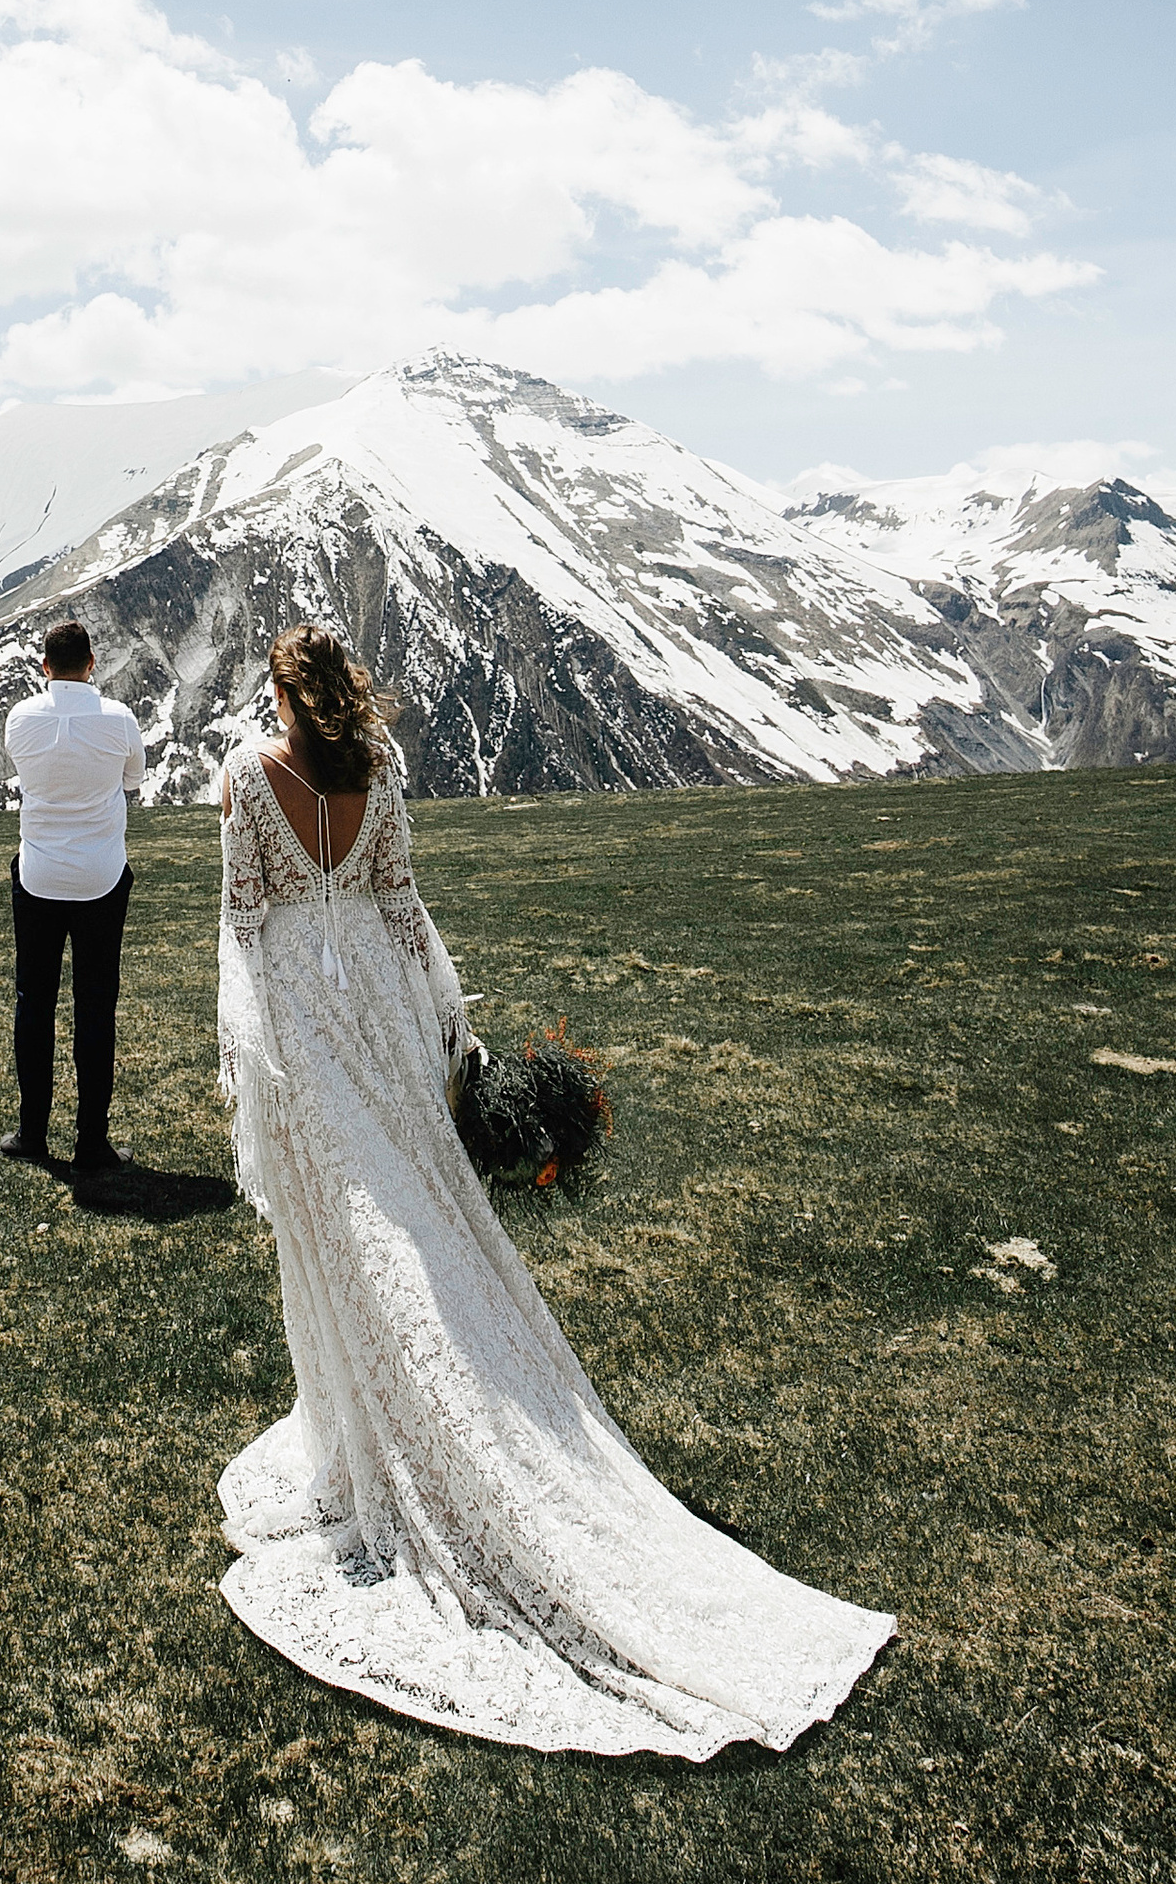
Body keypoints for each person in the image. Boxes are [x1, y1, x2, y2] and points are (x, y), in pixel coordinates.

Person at [213, 621, 894, 1757]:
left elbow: (241, 921)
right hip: (379, 1009)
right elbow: (401, 909)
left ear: (282, 695)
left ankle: (399, 1440)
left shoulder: (247, 774)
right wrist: (451, 1027)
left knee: (357, 1230)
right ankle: (370, 1425)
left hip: (304, 1009)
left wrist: (245, 1053)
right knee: (419, 1214)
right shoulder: (375, 771)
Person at [0, 617, 144, 1175]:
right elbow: (132, 781)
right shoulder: (119, 721)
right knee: (95, 1006)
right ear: (91, 665)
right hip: (101, 878)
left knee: (33, 1001)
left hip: (37, 876)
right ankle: (92, 1142)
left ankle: (33, 1131)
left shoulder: (20, 720)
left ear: (44, 668)